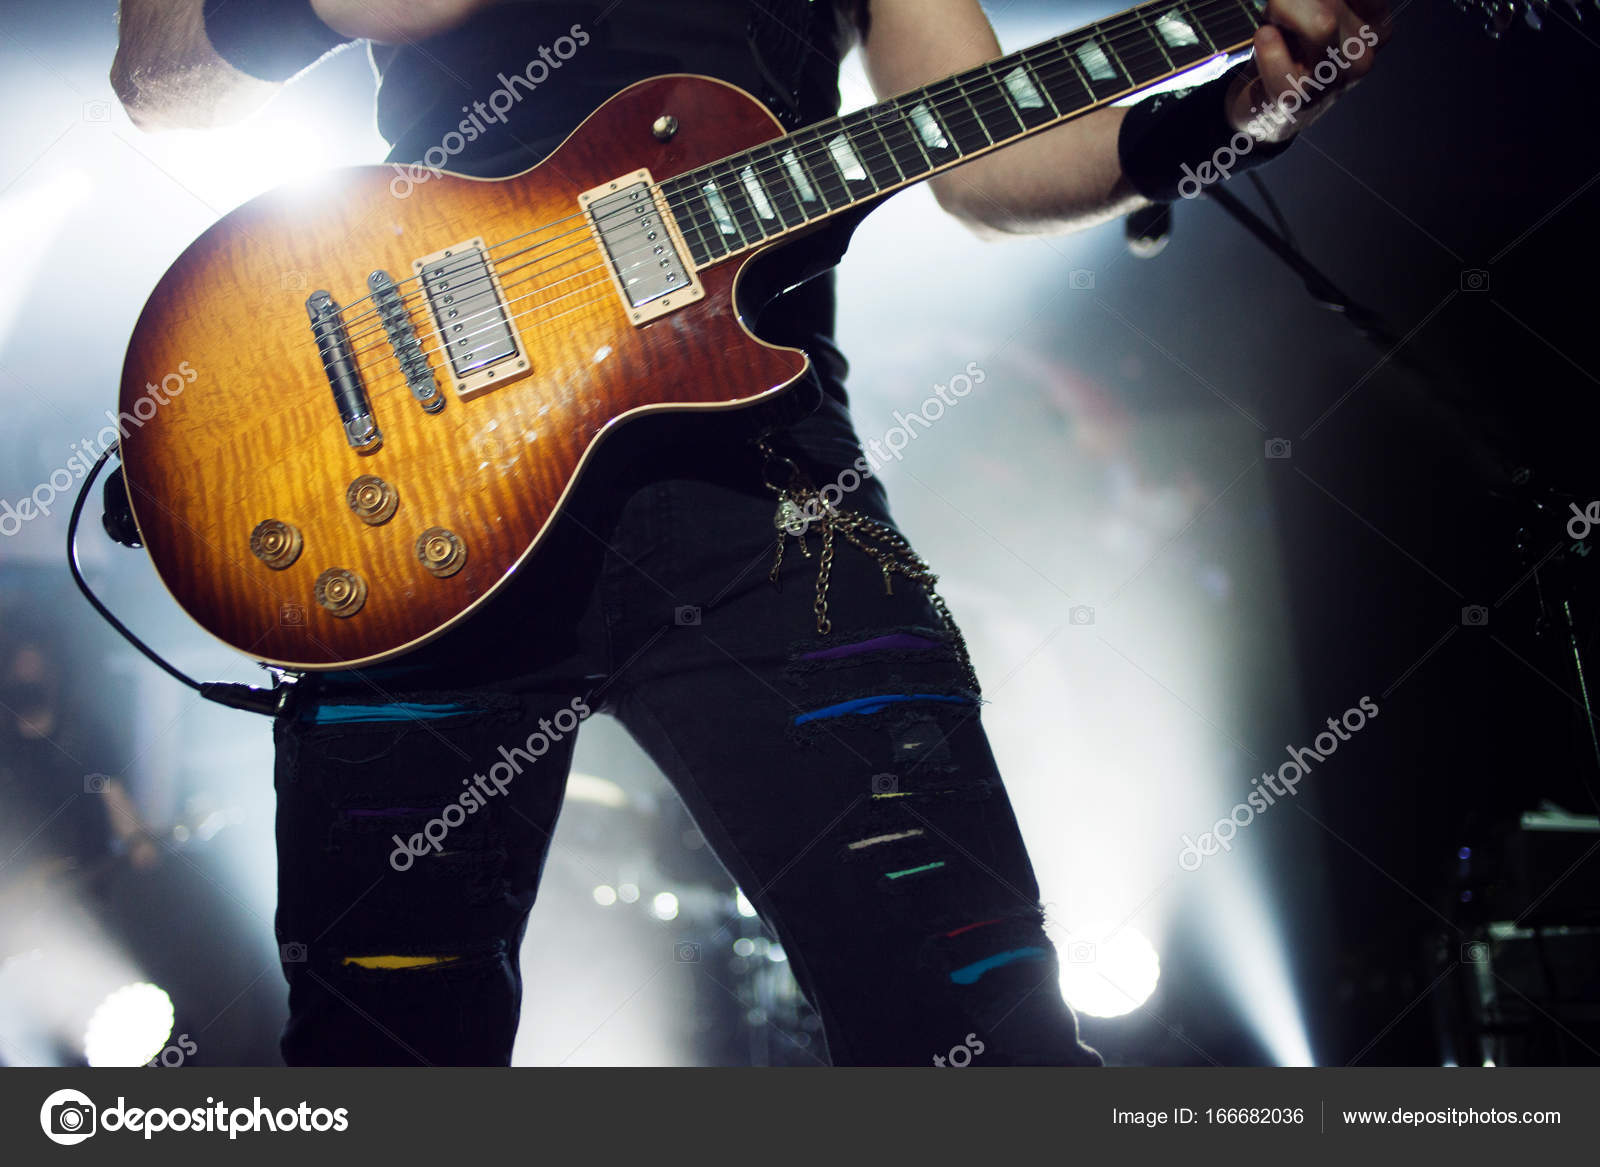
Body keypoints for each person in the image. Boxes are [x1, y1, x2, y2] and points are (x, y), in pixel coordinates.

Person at [110, 0, 1386, 1066]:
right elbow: (161, 82)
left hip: (766, 489)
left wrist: (1231, 113)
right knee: (380, 1056)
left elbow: (983, 161)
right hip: (410, 472)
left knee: (980, 1035)